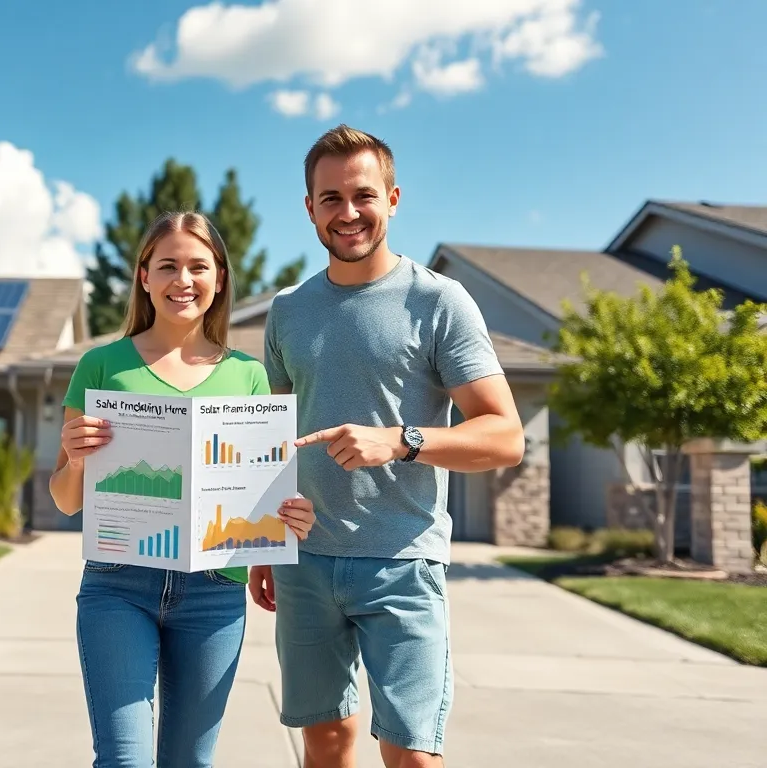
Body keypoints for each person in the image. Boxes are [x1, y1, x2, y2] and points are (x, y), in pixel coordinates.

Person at [249, 125, 525, 768]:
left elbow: (504, 435)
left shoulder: (439, 302)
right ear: (309, 207)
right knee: (325, 739)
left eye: (363, 195)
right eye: (330, 199)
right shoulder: (288, 310)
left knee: (411, 754)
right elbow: (272, 432)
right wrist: (263, 540)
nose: (348, 213)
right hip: (305, 563)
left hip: (402, 560)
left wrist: (402, 441)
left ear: (393, 198)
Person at [50, 210, 317, 768]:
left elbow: (262, 488)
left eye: (199, 266)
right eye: (167, 265)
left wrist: (285, 516)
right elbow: (66, 498)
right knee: (125, 761)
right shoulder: (101, 365)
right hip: (117, 585)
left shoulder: (247, 374)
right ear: (144, 276)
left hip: (214, 591)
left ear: (219, 277)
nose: (183, 280)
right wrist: (75, 460)